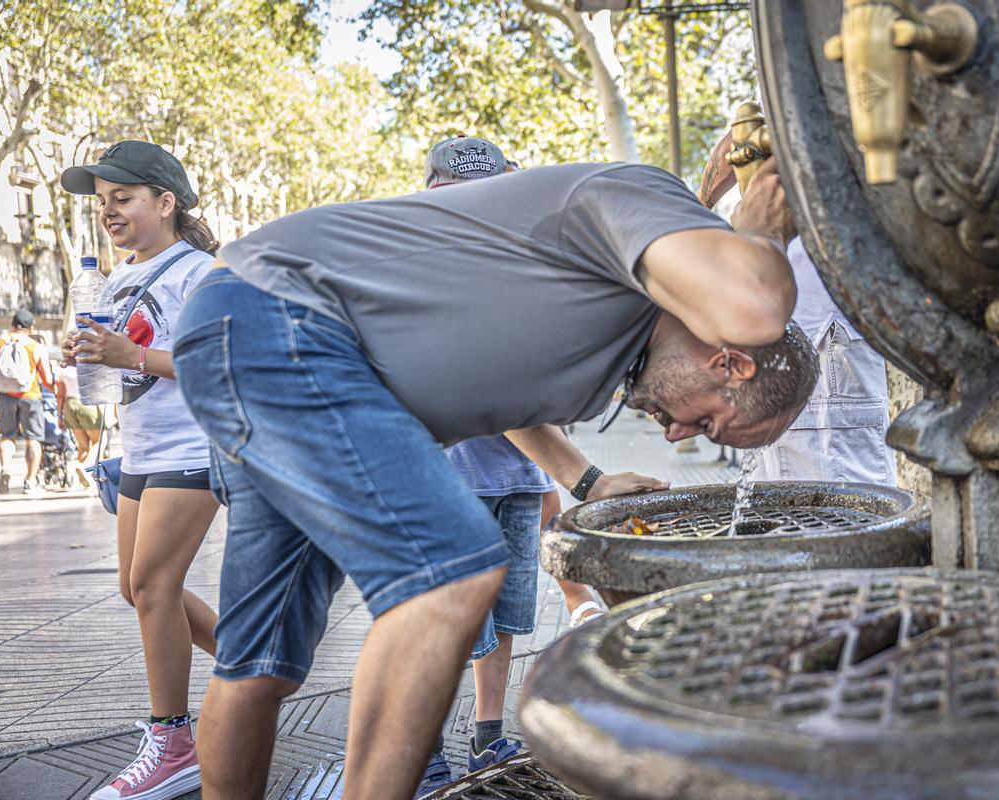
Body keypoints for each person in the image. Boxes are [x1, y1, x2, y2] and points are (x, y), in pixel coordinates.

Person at [172, 154, 817, 800]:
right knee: (451, 568)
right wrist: (760, 234)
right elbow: (755, 303)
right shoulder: (643, 197)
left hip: (264, 335)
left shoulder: (610, 353)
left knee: (258, 664)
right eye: (704, 423)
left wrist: (587, 482)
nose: (676, 435)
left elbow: (500, 399)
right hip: (281, 319)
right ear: (729, 363)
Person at [416, 138, 665, 796]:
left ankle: (485, 733)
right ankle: (420, 749)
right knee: (446, 620)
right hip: (450, 479)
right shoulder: (430, 271)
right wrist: (587, 480)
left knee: (502, 623)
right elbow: (492, 396)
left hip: (519, 481)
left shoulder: (524, 270)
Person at [59, 140, 221, 800]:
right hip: (142, 450)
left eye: (122, 199)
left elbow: (220, 363)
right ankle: (256, 660)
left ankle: (174, 742)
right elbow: (121, 358)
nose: (109, 212)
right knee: (137, 590)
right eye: (102, 202)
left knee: (155, 586)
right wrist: (90, 352)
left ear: (166, 201)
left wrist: (133, 353)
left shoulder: (202, 273)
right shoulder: (119, 274)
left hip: (193, 448)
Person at [697, 131, 896, 485]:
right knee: (783, 498)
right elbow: (740, 137)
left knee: (841, 498)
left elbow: (740, 139)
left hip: (826, 322)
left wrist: (700, 208)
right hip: (788, 317)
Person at [0, 309, 54, 495]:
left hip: (5, 395)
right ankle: (30, 482)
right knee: (33, 439)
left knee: (7, 436)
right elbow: (47, 380)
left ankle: (5, 468)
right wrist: (58, 391)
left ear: (12, 325)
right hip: (30, 396)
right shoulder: (35, 346)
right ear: (29, 328)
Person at [55, 361, 102, 487]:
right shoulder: (90, 365)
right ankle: (85, 467)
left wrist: (59, 415)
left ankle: (84, 481)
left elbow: (60, 395)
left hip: (69, 405)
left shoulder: (62, 370)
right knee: (98, 441)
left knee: (83, 445)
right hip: (87, 402)